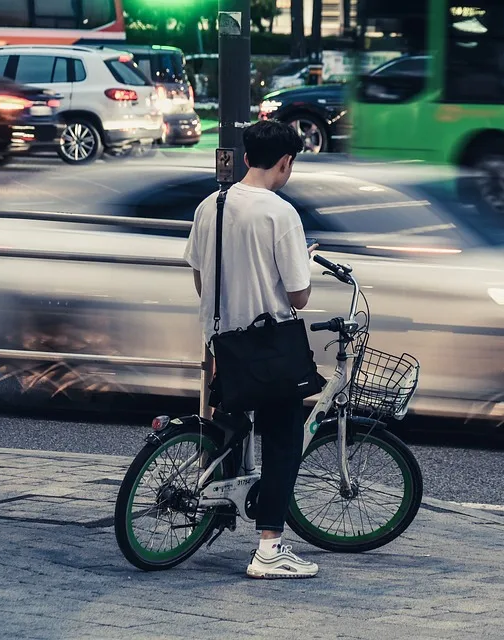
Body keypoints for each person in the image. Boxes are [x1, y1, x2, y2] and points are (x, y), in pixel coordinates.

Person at [184, 120, 319, 579]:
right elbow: (299, 297)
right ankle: (269, 548)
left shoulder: (211, 205)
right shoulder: (281, 214)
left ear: (245, 158)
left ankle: (213, 504)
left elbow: (200, 278)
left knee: (229, 424)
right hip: (269, 349)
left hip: (222, 343)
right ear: (286, 162)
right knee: (284, 440)